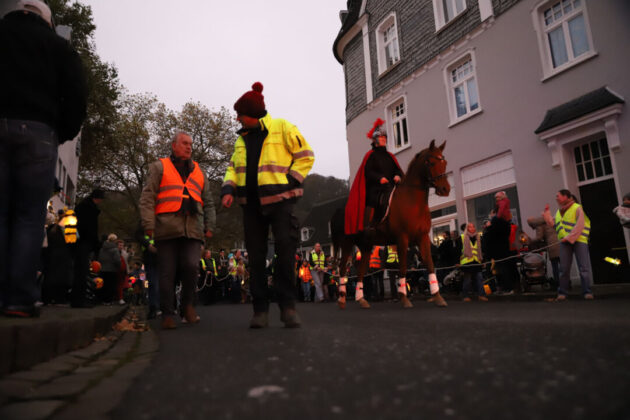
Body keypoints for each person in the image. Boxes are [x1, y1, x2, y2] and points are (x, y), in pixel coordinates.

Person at [0, 0, 87, 317]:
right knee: (28, 217)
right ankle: (19, 298)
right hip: (39, 131)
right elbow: (77, 93)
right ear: (48, 21)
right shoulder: (59, 48)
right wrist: (60, 132)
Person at [221, 82, 314, 328]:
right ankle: (260, 310)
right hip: (249, 205)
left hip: (280, 201)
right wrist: (228, 188)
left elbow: (306, 156)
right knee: (256, 257)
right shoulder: (241, 140)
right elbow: (233, 167)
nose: (237, 119)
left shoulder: (282, 127)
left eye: (240, 115)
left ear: (252, 114)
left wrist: (290, 181)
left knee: (285, 253)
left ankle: (288, 307)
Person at [140, 131, 216, 329]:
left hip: (193, 229)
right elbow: (148, 198)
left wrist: (210, 225)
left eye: (190, 144)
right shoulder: (159, 167)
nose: (189, 147)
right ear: (174, 145)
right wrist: (149, 225)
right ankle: (167, 313)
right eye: (184, 143)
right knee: (167, 273)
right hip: (166, 229)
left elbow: (208, 201)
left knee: (191, 266)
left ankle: (187, 306)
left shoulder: (199, 171)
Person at [345, 118, 403, 235]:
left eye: (384, 137)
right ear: (375, 141)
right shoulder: (370, 155)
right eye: (381, 138)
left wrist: (397, 175)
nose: (383, 139)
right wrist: (379, 178)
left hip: (391, 186)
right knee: (375, 200)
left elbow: (397, 169)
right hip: (376, 188)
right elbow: (369, 172)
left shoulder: (390, 156)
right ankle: (370, 224)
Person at [543, 189, 594, 301]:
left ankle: (586, 292)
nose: (556, 198)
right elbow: (554, 225)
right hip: (565, 242)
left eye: (558, 196)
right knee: (564, 269)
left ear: (566, 196)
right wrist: (547, 215)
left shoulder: (577, 208)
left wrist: (569, 237)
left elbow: (580, 224)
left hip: (579, 240)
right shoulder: (558, 212)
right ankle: (563, 292)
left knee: (583, 268)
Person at [71, 189, 105, 307]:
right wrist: (96, 244)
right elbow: (91, 229)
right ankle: (79, 299)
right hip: (84, 243)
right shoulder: (89, 210)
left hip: (79, 241)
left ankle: (78, 298)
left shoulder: (82, 207)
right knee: (82, 271)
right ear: (98, 198)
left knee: (80, 270)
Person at [456, 223, 488, 302]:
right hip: (467, 262)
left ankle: (481, 295)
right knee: (467, 280)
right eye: (470, 227)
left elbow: (480, 250)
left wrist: (483, 261)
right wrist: (457, 262)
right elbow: (457, 251)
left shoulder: (478, 237)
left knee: (480, 278)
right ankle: (465, 296)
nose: (472, 228)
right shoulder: (462, 238)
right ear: (467, 229)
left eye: (473, 226)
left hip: (476, 261)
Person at [527, 215, 560, 285]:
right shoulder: (548, 220)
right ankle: (567, 283)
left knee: (555, 266)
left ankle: (558, 283)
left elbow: (539, 237)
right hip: (560, 243)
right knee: (563, 266)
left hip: (552, 246)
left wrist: (529, 240)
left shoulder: (538, 224)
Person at [98, 234, 121, 304]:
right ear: (114, 240)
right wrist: (118, 267)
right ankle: (109, 300)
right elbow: (117, 260)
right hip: (112, 270)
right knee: (111, 286)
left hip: (102, 269)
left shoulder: (102, 248)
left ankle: (103, 300)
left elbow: (99, 258)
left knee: (103, 285)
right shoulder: (115, 249)